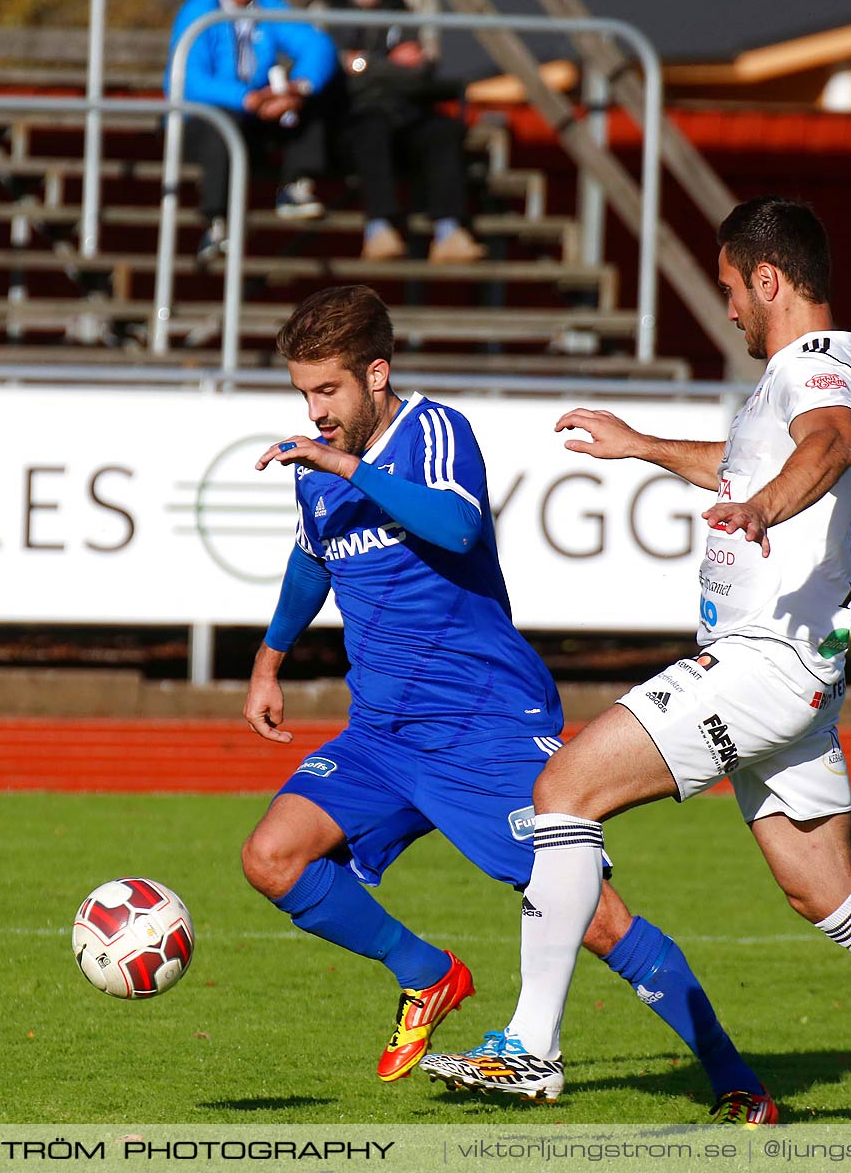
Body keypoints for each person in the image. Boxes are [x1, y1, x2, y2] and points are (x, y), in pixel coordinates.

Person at [421, 198, 851, 1146]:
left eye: (729, 290)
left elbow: (828, 447)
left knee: (563, 790)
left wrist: (766, 507)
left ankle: (530, 1046)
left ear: (768, 280)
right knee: (824, 889)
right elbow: (741, 460)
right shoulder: (789, 381)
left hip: (763, 660)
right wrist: (645, 448)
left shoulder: (820, 373)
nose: (725, 310)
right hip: (798, 669)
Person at [242, 284, 773, 1122]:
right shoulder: (318, 468)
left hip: (482, 727)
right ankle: (428, 973)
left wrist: (346, 464)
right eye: (304, 393)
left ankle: (736, 1079)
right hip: (382, 734)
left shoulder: (434, 434)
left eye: (327, 390)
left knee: (596, 920)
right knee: (272, 857)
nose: (315, 410)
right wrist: (269, 662)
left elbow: (454, 528)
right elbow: (313, 561)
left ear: (376, 375)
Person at [308, 0, 484, 263]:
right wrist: (389, 65)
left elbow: (420, 71)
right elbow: (331, 72)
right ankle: (380, 228)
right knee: (371, 129)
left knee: (442, 130)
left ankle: (449, 231)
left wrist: (363, 64)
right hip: (350, 118)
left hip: (404, 111)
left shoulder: (403, 6)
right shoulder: (324, 10)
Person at [168, 0, 338, 262]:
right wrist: (247, 98)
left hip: (256, 114)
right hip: (207, 119)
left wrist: (297, 89)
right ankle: (217, 222)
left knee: (312, 102)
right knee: (222, 124)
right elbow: (188, 81)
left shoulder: (267, 5)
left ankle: (296, 185)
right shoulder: (198, 13)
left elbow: (316, 46)